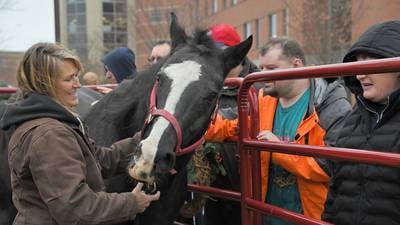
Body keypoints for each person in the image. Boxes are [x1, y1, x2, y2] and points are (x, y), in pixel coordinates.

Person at [0, 42, 160, 225]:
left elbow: (99, 159)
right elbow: (76, 208)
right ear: (45, 85)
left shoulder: (55, 122)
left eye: (76, 76)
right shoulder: (50, 135)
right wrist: (132, 203)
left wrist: (143, 138)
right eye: (69, 79)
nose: (78, 84)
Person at [205, 37, 351, 225]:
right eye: (262, 67)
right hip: (265, 217)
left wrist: (279, 150)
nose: (262, 74)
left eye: (271, 68)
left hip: (311, 218)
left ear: (296, 65)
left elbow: (330, 165)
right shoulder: (261, 101)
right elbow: (224, 126)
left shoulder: (328, 103)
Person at [322, 21, 400, 225]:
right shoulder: (352, 119)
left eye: (370, 62)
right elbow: (336, 186)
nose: (360, 74)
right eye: (358, 63)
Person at [192, 23, 259, 225]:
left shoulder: (257, 87)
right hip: (212, 192)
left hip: (246, 190)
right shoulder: (205, 87)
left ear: (234, 54)